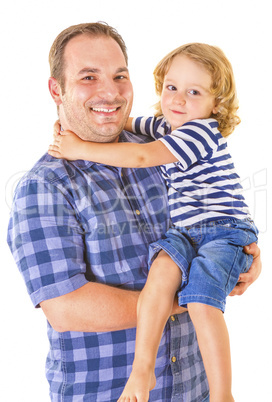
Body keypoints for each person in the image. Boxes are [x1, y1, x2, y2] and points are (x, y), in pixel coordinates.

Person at [7, 23, 261, 402]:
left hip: (194, 388)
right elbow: (66, 307)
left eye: (119, 76)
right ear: (56, 90)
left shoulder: (162, 146)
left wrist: (240, 261)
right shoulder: (44, 186)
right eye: (88, 77)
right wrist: (199, 294)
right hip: (107, 392)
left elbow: (210, 212)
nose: (109, 92)